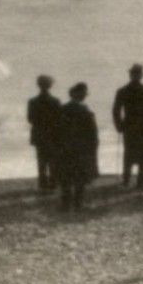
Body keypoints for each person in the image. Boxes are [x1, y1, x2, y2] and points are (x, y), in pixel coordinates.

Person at [111, 63, 143, 188]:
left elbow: (116, 111)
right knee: (142, 155)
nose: (135, 76)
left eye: (136, 74)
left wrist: (119, 125)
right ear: (140, 76)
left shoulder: (122, 91)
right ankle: (139, 183)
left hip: (130, 125)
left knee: (129, 153)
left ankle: (126, 181)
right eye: (135, 74)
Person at [54, 82, 100, 211]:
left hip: (65, 147)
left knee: (66, 176)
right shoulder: (86, 111)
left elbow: (56, 130)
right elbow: (92, 134)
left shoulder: (62, 109)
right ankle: (78, 204)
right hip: (81, 149)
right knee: (80, 177)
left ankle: (65, 204)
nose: (85, 95)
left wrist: (58, 146)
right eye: (84, 93)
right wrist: (93, 147)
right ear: (80, 95)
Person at [27, 75, 63, 192]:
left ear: (38, 85)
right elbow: (60, 119)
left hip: (39, 134)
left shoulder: (32, 101)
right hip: (53, 134)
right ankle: (53, 183)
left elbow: (30, 118)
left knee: (41, 161)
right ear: (50, 86)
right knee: (53, 160)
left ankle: (43, 184)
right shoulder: (56, 101)